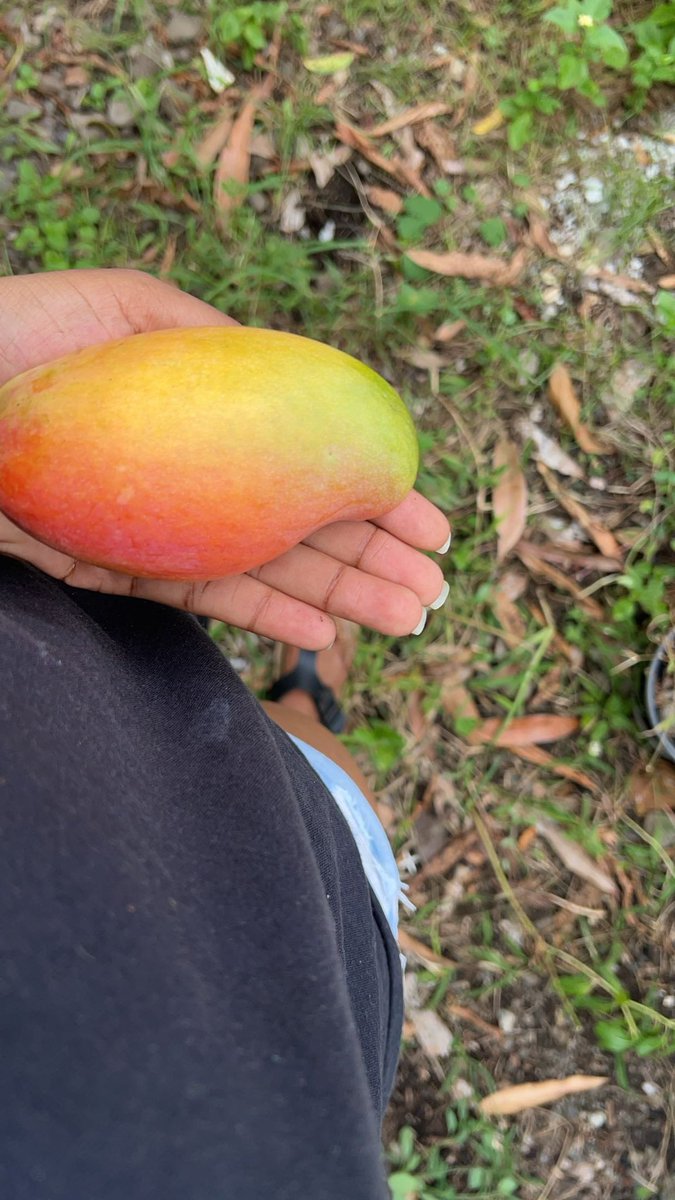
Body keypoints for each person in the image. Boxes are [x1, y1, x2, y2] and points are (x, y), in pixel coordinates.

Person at [0, 269, 451, 1199]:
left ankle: (298, 718)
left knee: (290, 764)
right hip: (266, 965)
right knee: (310, 783)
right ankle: (303, 713)